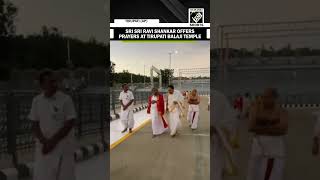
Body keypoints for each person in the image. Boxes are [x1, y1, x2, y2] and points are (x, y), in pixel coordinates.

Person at [29, 71, 77, 180]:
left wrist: (53, 141)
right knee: (43, 175)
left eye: (55, 81)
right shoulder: (37, 101)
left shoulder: (65, 99)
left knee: (64, 175)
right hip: (44, 147)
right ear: (42, 85)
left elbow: (70, 123)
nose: (55, 84)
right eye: (50, 82)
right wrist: (44, 141)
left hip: (62, 147)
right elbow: (34, 123)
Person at [246, 88, 288, 180]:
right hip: (257, 150)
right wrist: (272, 124)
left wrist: (260, 127)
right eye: (263, 96)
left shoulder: (280, 111)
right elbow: (251, 127)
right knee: (253, 175)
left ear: (274, 98)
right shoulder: (256, 108)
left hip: (273, 152)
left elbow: (283, 129)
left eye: (267, 97)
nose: (264, 99)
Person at [212, 89, 238, 180]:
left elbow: (230, 121)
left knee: (215, 170)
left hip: (215, 143)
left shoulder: (219, 97)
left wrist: (215, 128)